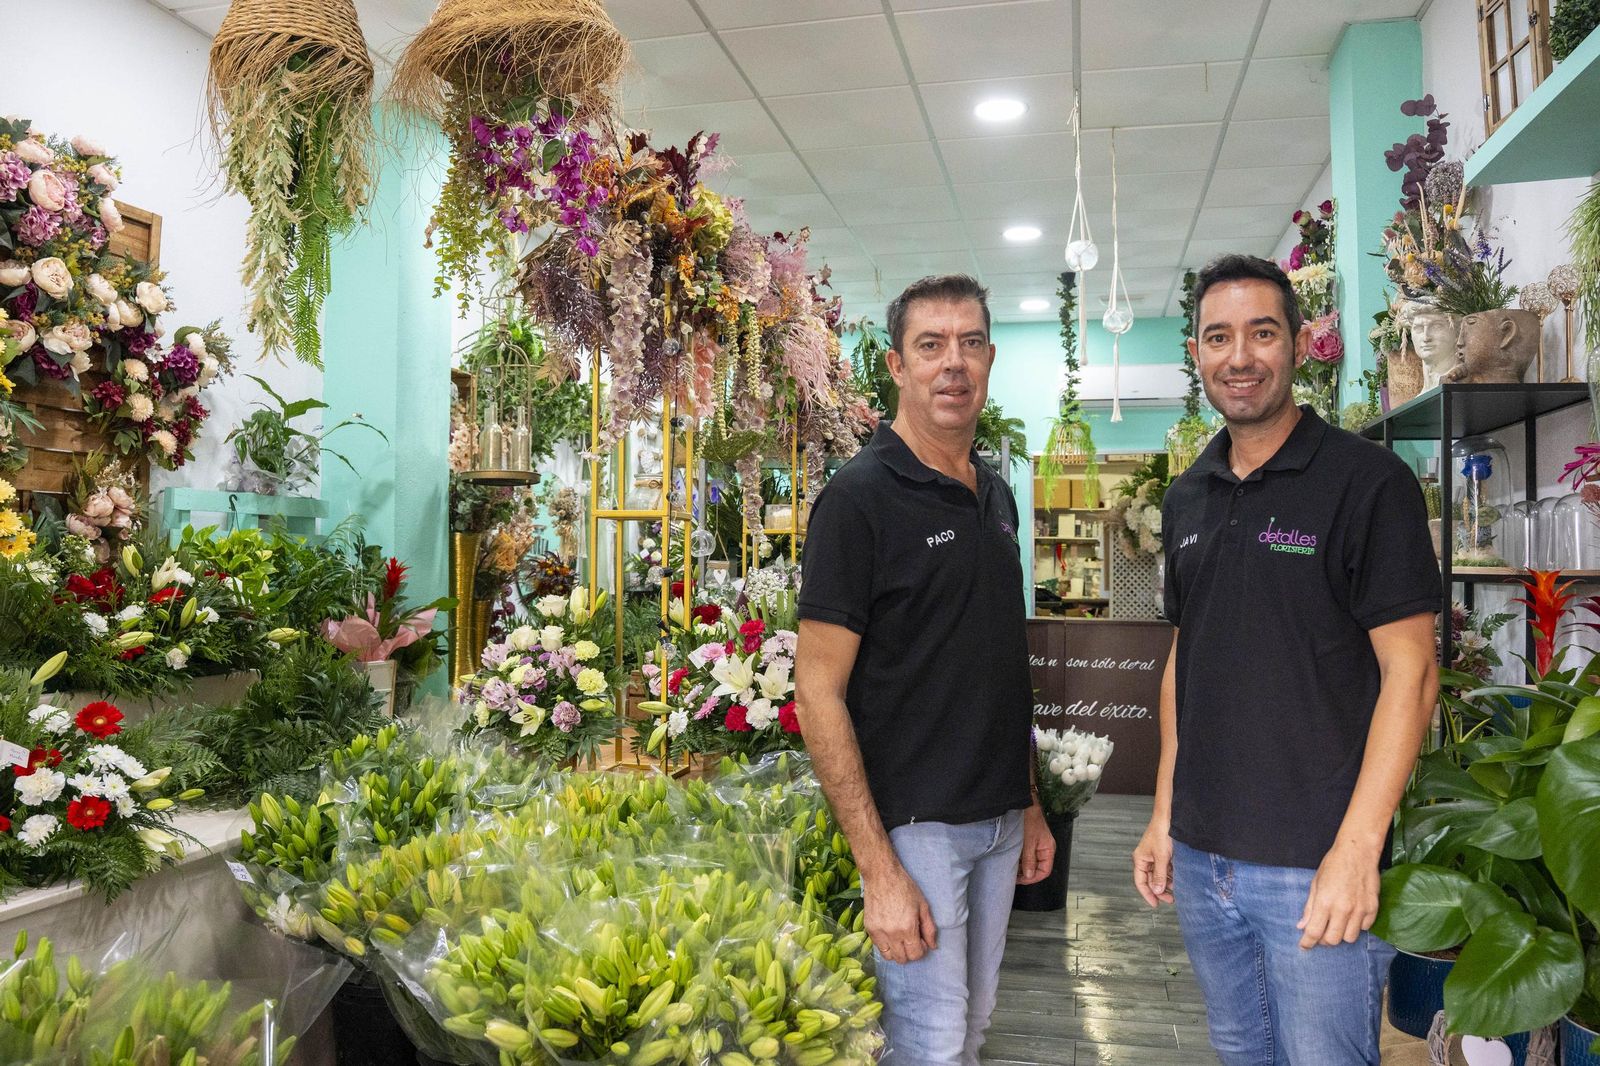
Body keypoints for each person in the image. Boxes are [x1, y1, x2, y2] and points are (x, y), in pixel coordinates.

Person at [1133, 254, 1439, 1065]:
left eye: (1262, 333)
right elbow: (1183, 659)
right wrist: (1164, 813)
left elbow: (1413, 674)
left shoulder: (1367, 483)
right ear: (1196, 354)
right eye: (1218, 336)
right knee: (1242, 1053)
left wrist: (1357, 849)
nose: (1240, 357)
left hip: (1315, 861)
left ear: (1299, 346)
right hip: (1203, 861)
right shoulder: (1186, 494)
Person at [794, 274, 1053, 1066]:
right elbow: (817, 690)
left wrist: (1031, 801)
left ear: (990, 358)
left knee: (971, 1033)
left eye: (970, 344)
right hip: (917, 832)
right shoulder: (858, 500)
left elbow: (996, 661)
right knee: (930, 1048)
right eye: (930, 345)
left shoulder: (997, 495)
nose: (954, 364)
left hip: (1001, 820)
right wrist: (879, 869)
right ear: (897, 366)